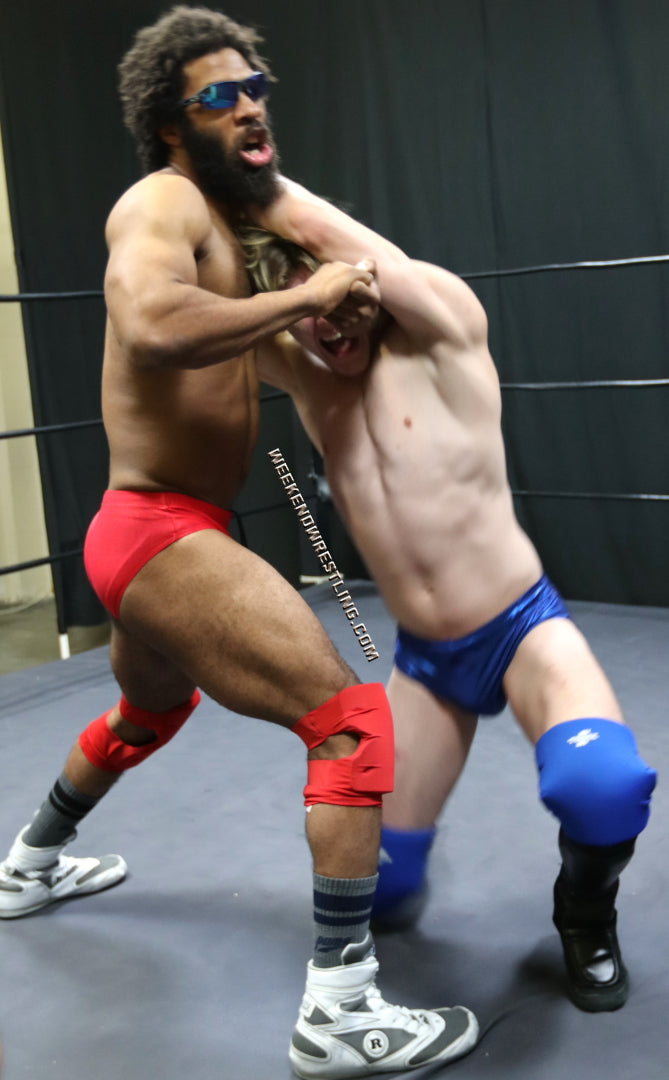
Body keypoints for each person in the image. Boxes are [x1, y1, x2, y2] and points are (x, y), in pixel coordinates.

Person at [0, 8, 479, 1078]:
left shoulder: (226, 225)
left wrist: (319, 319)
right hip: (157, 530)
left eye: (256, 86)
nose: (251, 106)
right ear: (171, 124)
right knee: (350, 724)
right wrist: (307, 293)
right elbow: (153, 326)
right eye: (220, 96)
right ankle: (340, 1011)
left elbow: (270, 343)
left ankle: (28, 862)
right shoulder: (161, 201)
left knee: (146, 713)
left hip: (154, 534)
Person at [237, 176, 657, 1015]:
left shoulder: (442, 328)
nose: (328, 324)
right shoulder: (313, 381)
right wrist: (188, 197)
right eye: (307, 312)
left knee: (603, 788)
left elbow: (344, 243)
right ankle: (409, 867)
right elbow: (198, 318)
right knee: (385, 891)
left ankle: (584, 913)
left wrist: (238, 173)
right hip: (427, 663)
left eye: (340, 295)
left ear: (363, 276)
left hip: (521, 628)